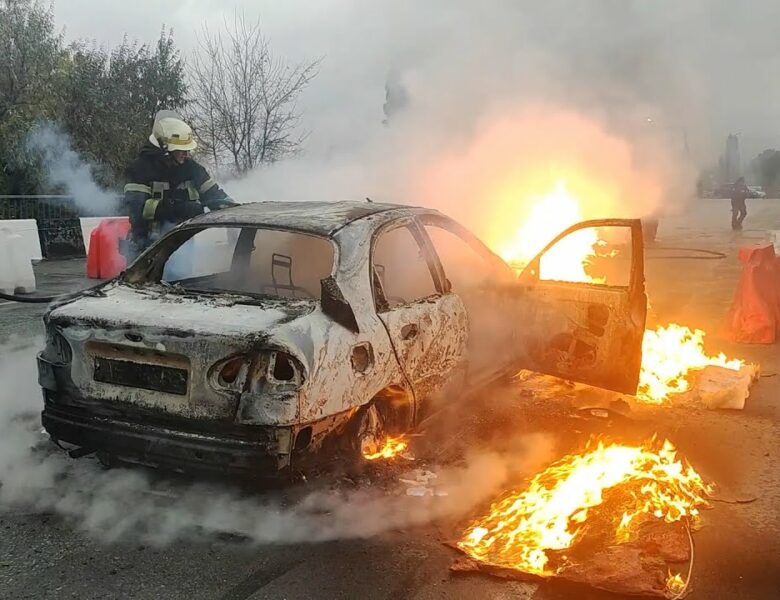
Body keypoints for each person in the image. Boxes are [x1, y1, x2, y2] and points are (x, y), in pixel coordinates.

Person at [122, 111, 236, 256]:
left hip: (181, 247)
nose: (186, 154)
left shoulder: (192, 168)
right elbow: (138, 210)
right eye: (182, 150)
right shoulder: (139, 169)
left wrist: (232, 207)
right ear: (165, 150)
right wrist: (179, 209)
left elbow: (214, 194)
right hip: (146, 247)